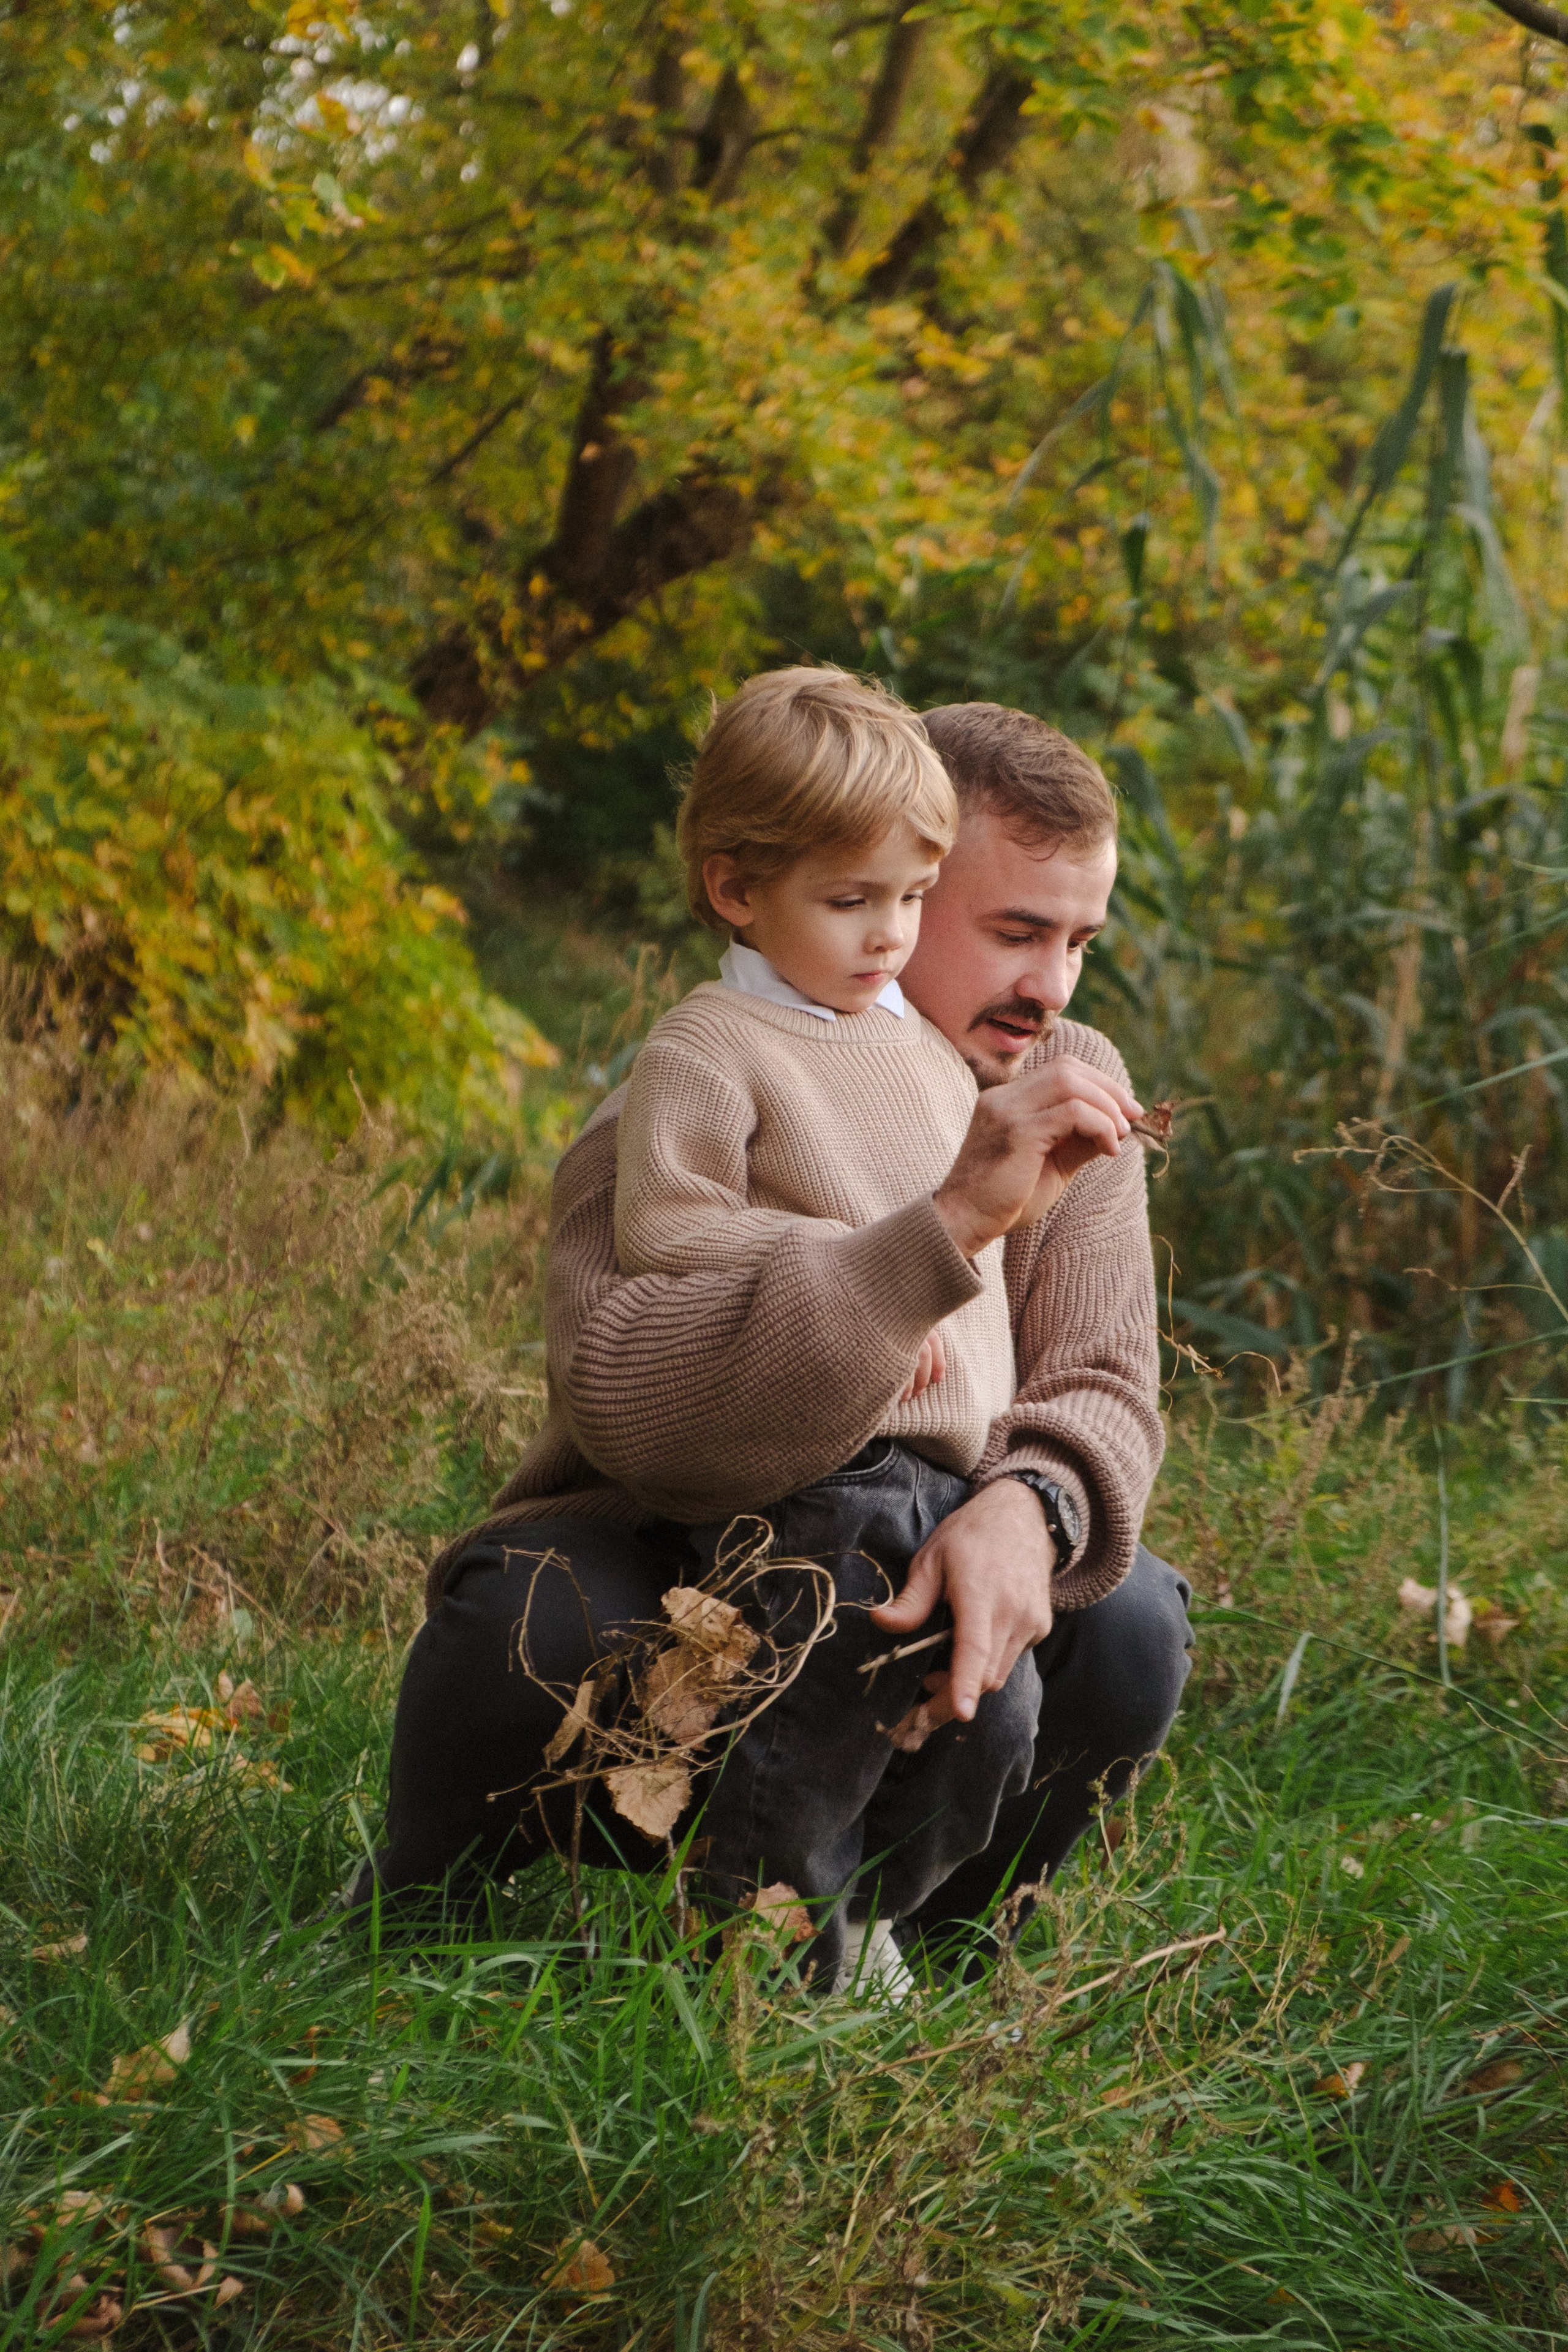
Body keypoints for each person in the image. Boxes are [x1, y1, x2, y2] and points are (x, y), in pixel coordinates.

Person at [355, 695, 1192, 1981]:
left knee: (1124, 1617)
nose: (1050, 985)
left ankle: (931, 1948)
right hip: (685, 1548)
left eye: (1080, 939)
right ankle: (428, 1906)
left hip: (927, 1532)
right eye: (1012, 932)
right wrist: (899, 1262)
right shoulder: (703, 1075)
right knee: (536, 1618)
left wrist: (1024, 1505)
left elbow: (1101, 1378)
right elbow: (636, 1409)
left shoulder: (1064, 1073)